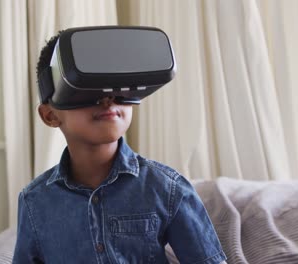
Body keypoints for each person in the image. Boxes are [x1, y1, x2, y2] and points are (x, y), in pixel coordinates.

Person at [13, 30, 227, 264]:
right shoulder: (35, 201)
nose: (108, 98)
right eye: (87, 85)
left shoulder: (167, 188)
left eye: (119, 85)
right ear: (50, 115)